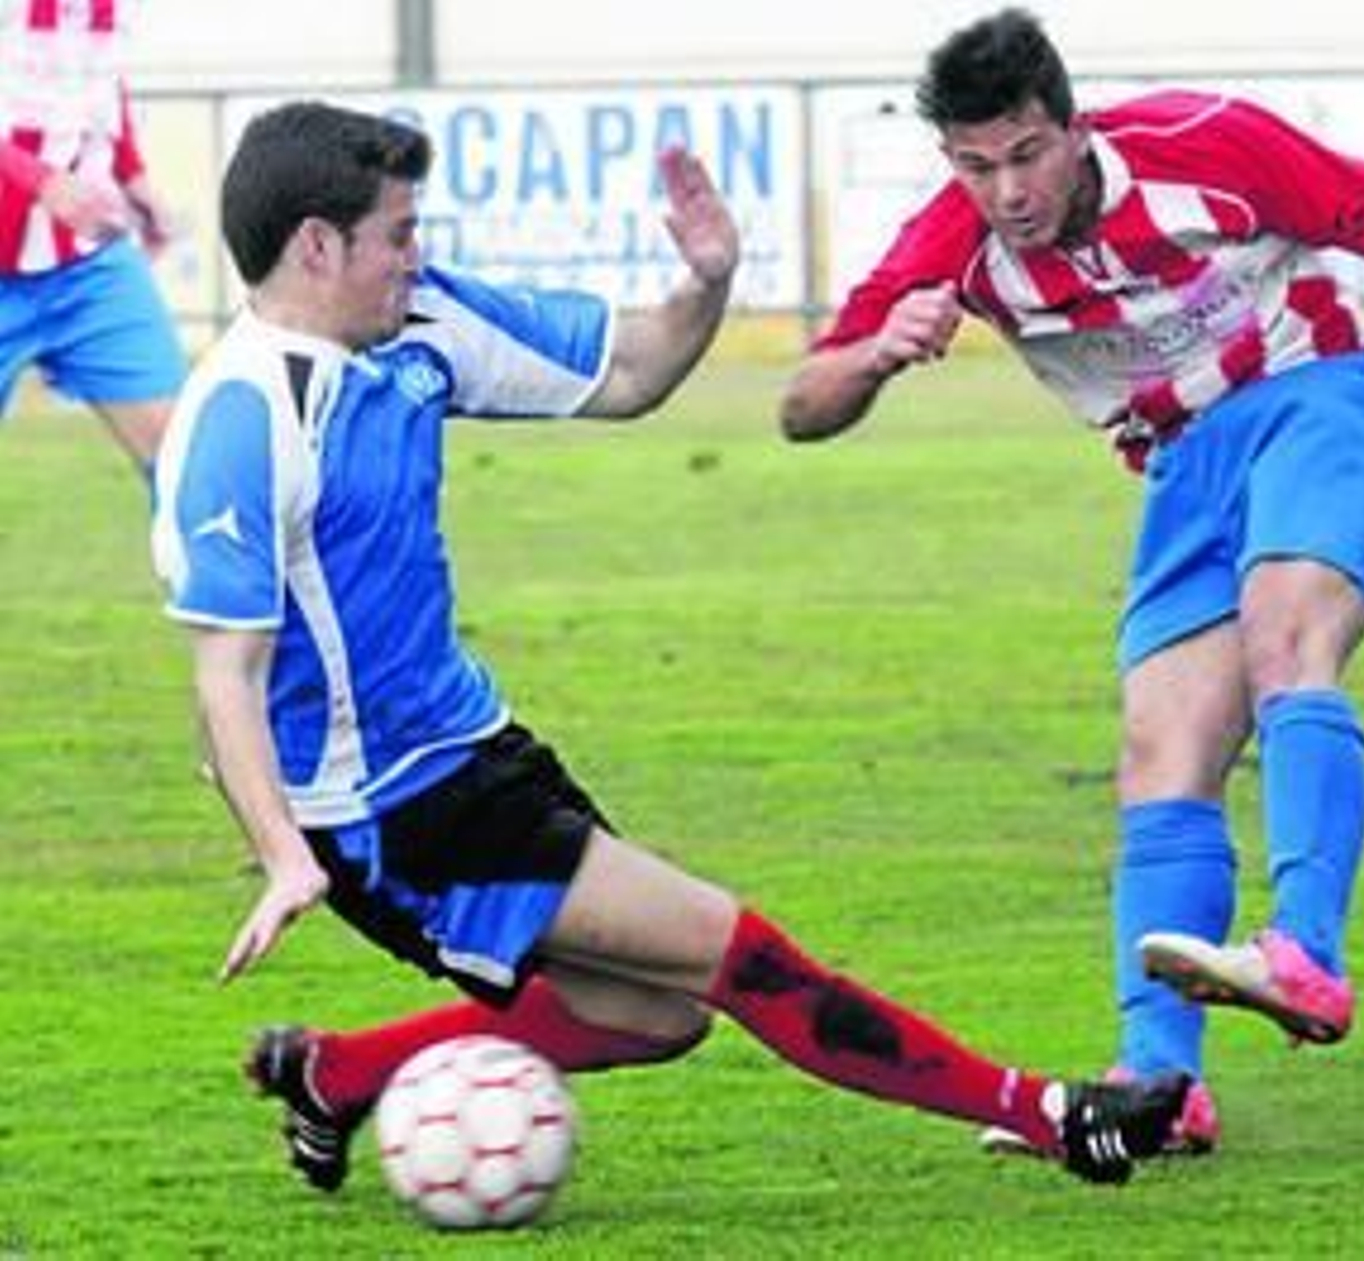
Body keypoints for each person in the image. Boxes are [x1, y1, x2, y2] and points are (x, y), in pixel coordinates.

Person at [150, 100, 1188, 1198]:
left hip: (475, 742)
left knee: (659, 1017)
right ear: (318, 244)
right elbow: (227, 674)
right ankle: (1057, 1116)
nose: (419, 255)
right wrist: (283, 855)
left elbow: (633, 371)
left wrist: (707, 282)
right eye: (399, 234)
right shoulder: (240, 418)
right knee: (740, 953)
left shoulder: (423, 325)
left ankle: (335, 1070)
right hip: (385, 815)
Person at [779, 8, 1364, 1155]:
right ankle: (1159, 1083)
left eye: (1026, 153)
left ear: (1072, 129)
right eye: (977, 166)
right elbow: (802, 406)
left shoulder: (1206, 143)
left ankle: (1307, 955)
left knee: (1288, 639)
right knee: (1158, 756)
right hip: (1183, 468)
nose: (1008, 190)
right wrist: (879, 352)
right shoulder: (953, 238)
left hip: (1320, 399)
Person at [0, 0, 185, 481]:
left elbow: (97, 84)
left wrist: (136, 181)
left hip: (91, 267)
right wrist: (38, 178)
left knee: (183, 458)